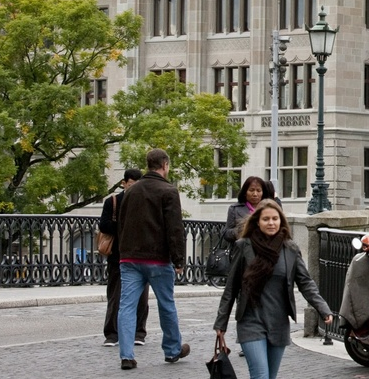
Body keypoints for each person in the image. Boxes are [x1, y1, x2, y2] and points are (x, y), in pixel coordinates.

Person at [214, 199, 334, 379]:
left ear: (281, 221)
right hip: (250, 320)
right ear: (257, 222)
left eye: (275, 219)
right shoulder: (244, 246)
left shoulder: (290, 249)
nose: (271, 223)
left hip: (278, 322)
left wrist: (322, 308)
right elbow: (231, 287)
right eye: (266, 219)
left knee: (270, 376)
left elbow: (306, 283)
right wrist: (221, 323)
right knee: (260, 375)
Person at [116, 148, 189, 370]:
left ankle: (126, 355)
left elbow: (122, 223)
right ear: (165, 165)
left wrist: (124, 251)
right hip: (157, 258)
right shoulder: (168, 191)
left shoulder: (131, 191)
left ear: (148, 164)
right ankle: (172, 349)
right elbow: (174, 228)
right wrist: (178, 260)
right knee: (166, 304)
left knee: (126, 306)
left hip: (129, 257)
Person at [99, 169, 149, 347]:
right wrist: (124, 225)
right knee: (115, 295)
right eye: (131, 184)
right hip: (118, 256)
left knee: (141, 297)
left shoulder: (145, 202)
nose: (134, 188)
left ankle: (138, 333)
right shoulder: (113, 201)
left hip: (140, 255)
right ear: (124, 183)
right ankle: (112, 334)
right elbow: (104, 225)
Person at [223, 176, 276, 246]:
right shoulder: (234, 209)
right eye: (251, 190)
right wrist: (242, 230)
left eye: (258, 191)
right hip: (243, 250)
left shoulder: (270, 208)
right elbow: (226, 234)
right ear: (245, 192)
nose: (255, 194)